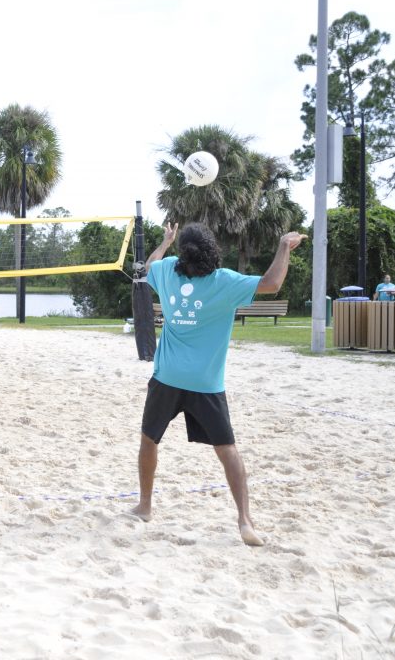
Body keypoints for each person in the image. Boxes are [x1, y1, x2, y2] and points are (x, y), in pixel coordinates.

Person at [132, 223, 307, 547]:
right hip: (206, 383)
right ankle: (245, 521)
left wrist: (166, 241)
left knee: (149, 441)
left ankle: (145, 506)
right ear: (212, 249)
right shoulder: (224, 281)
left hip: (167, 377)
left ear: (183, 251)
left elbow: (151, 264)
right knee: (227, 450)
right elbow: (272, 283)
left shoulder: (168, 271)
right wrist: (284, 246)